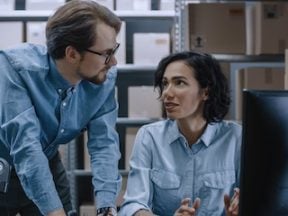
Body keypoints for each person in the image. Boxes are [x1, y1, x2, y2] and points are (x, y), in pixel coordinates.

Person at [0, 0, 122, 215]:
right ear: (72, 54)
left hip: (46, 161)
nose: (113, 62)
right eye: (106, 53)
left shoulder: (103, 79)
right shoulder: (14, 68)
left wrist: (107, 206)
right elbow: (26, 148)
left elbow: (104, 145)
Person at [119, 51, 242, 216]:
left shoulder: (236, 138)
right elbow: (133, 205)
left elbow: (253, 199)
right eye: (165, 83)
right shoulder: (149, 137)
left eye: (179, 83)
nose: (166, 94)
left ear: (206, 91)